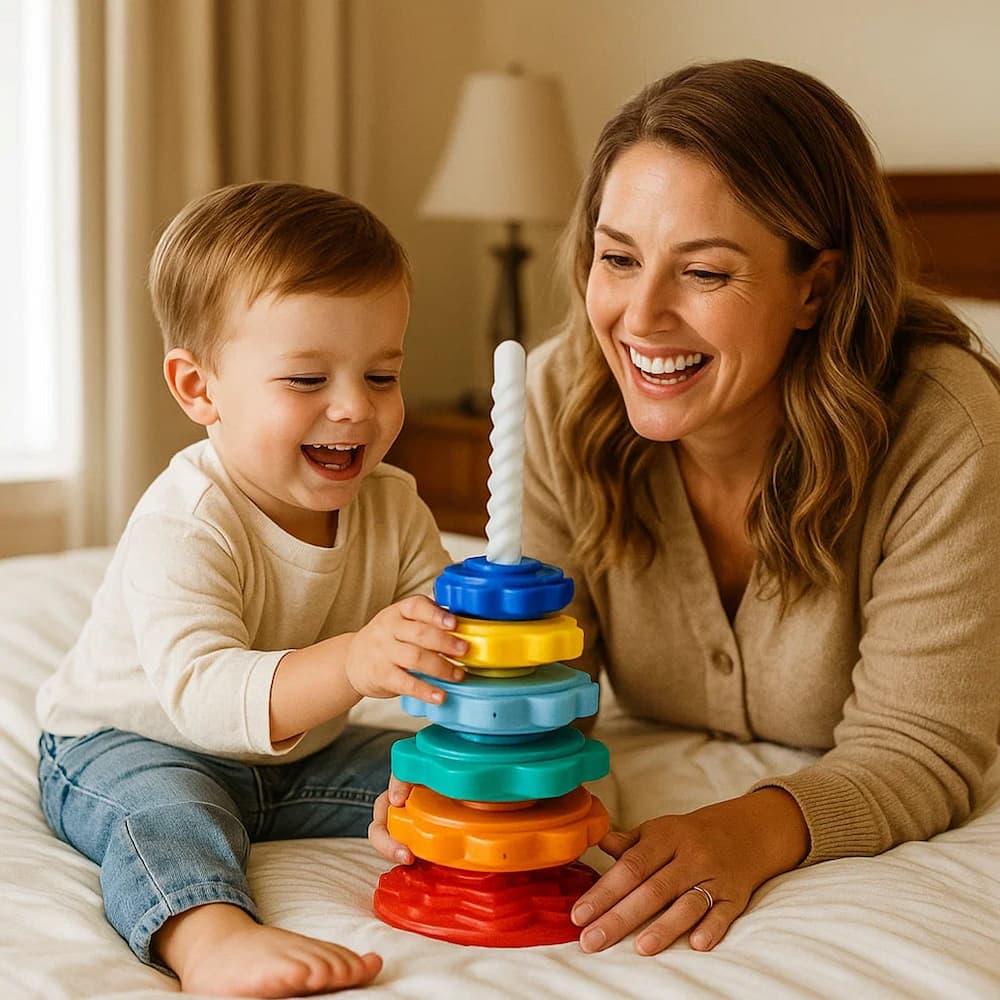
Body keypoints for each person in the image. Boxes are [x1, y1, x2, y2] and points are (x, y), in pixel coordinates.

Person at [370, 59, 1000, 958]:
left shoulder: (947, 431)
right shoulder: (556, 397)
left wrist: (748, 830)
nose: (641, 316)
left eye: (703, 272)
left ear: (814, 289)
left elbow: (923, 747)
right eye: (618, 258)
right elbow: (548, 680)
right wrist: (470, 782)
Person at [35, 181, 469, 997]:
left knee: (468, 784)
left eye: (381, 375)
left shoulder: (395, 505)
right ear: (199, 389)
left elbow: (432, 650)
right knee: (167, 814)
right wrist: (351, 662)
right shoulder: (189, 518)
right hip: (135, 741)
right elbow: (201, 695)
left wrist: (447, 737)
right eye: (307, 380)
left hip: (293, 762)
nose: (354, 408)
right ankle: (209, 937)